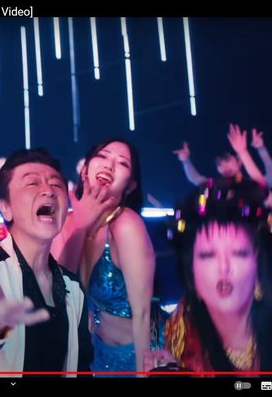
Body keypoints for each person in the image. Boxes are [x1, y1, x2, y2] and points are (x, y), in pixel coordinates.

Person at [145, 178, 272, 374]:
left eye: (239, 253)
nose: (224, 267)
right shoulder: (182, 335)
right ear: (192, 273)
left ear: (257, 266)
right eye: (208, 255)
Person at [0, 148, 93, 376]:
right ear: (6, 208)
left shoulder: (73, 287)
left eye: (56, 184)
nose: (49, 191)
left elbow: (81, 367)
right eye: (32, 183)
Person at [52, 138, 155, 373]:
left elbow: (143, 314)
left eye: (122, 163)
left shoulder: (126, 225)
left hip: (134, 356)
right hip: (92, 356)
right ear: (85, 170)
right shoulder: (66, 223)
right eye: (103, 156)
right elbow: (55, 297)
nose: (109, 165)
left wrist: (144, 373)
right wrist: (80, 227)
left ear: (130, 186)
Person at [173, 124, 272, 188]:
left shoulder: (252, 185)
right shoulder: (216, 186)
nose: (224, 166)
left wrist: (261, 149)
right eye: (219, 164)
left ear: (239, 161)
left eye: (226, 160)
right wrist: (186, 161)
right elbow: (195, 178)